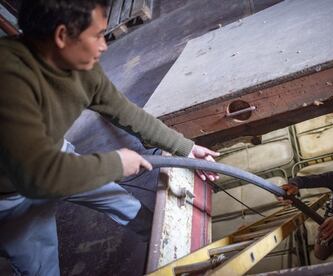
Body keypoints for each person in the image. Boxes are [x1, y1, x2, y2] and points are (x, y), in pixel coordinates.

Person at [0, 0, 219, 275]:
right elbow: (38, 177)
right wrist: (116, 163)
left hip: (56, 158)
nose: (104, 46)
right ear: (62, 36)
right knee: (41, 268)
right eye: (97, 35)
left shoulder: (79, 63)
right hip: (9, 198)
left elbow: (123, 111)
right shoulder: (8, 79)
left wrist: (184, 147)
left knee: (126, 205)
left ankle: (171, 252)